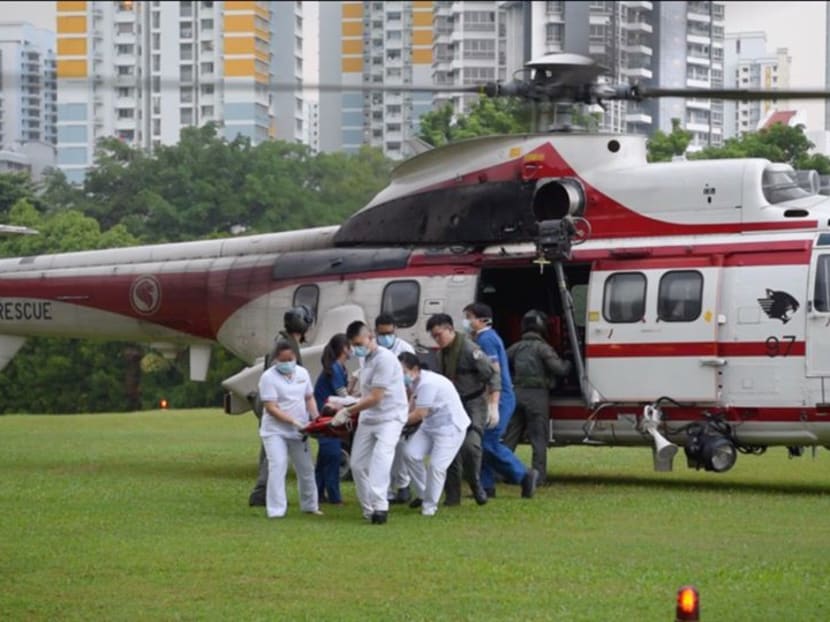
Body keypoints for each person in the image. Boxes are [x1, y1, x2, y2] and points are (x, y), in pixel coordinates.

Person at [330, 321, 408, 524]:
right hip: (369, 416)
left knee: (381, 458)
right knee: (357, 464)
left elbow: (376, 397)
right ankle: (368, 508)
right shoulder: (365, 360)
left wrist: (347, 411)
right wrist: (345, 402)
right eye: (353, 345)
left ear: (370, 337)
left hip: (390, 416)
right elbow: (365, 394)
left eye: (359, 343)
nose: (357, 348)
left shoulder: (385, 359)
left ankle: (380, 506)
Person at [463, 302, 539, 499]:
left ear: (481, 320)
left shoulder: (486, 339)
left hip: (498, 396)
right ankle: (486, 485)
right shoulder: (484, 337)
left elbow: (493, 370)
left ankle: (523, 475)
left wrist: (492, 402)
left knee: (488, 441)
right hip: (495, 395)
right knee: (483, 440)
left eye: (470, 317)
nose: (467, 321)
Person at [426, 313, 497, 507]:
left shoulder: (469, 349)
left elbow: (491, 374)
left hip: (474, 403)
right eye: (434, 336)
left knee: (470, 446)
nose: (437, 339)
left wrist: (493, 404)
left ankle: (475, 484)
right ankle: (452, 495)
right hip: (454, 405)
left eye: (439, 334)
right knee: (449, 450)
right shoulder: (441, 355)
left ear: (450, 329)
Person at [249, 304, 315, 507]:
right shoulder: (288, 346)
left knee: (272, 457)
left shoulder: (283, 341)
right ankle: (262, 493)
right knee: (273, 459)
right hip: (279, 411)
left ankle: (263, 493)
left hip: (277, 409)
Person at [504, 310, 572, 484]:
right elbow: (559, 369)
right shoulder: (543, 348)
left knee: (510, 437)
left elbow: (500, 363)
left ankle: (501, 472)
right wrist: (569, 363)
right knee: (538, 439)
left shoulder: (515, 347)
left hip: (516, 394)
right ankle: (539, 477)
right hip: (537, 397)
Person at [398, 353, 470, 517]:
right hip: (431, 425)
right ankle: (424, 494)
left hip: (450, 427)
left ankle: (429, 507)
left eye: (402, 371)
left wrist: (396, 423)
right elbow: (412, 404)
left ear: (415, 369)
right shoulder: (415, 381)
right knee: (410, 454)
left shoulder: (427, 383)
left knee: (436, 466)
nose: (399, 376)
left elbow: (419, 414)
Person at [257, 339, 322, 518]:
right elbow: (271, 407)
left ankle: (310, 505)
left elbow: (309, 397)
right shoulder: (268, 377)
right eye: (283, 360)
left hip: (299, 430)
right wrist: (293, 421)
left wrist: (316, 419)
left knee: (306, 468)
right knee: (278, 465)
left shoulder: (302, 373)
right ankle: (276, 510)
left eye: (290, 359)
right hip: (275, 430)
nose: (287, 363)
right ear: (275, 360)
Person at [375, 313, 416, 505]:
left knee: (399, 447)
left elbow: (411, 381)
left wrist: (409, 408)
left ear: (395, 331)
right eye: (382, 333)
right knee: (382, 449)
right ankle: (387, 488)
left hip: (400, 403)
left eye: (390, 333)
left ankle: (403, 484)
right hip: (379, 404)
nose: (386, 337)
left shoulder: (405, 348)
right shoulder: (373, 350)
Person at [313, 333, 351, 505]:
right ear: (344, 348)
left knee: (324, 457)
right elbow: (342, 394)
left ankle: (317, 493)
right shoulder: (335, 368)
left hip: (330, 417)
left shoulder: (340, 368)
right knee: (333, 455)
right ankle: (334, 497)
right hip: (327, 418)